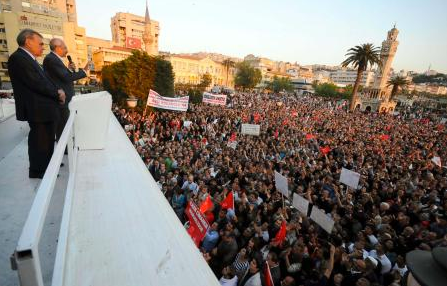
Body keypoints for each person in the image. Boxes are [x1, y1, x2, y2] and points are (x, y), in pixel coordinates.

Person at [8, 29, 65, 179]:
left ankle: (47, 165)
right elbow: (36, 83)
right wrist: (57, 93)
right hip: (37, 109)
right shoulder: (18, 58)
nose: (43, 47)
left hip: (42, 108)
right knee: (40, 141)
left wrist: (57, 89)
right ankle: (39, 170)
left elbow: (45, 80)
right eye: (40, 43)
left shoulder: (29, 58)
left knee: (46, 139)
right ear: (28, 41)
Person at [43, 38, 88, 142]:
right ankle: (64, 148)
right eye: (64, 48)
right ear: (57, 48)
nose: (66, 50)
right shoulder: (51, 59)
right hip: (61, 99)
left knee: (63, 124)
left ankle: (65, 145)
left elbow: (62, 76)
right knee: (62, 125)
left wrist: (68, 69)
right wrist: (84, 72)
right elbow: (66, 78)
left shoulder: (54, 59)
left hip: (63, 98)